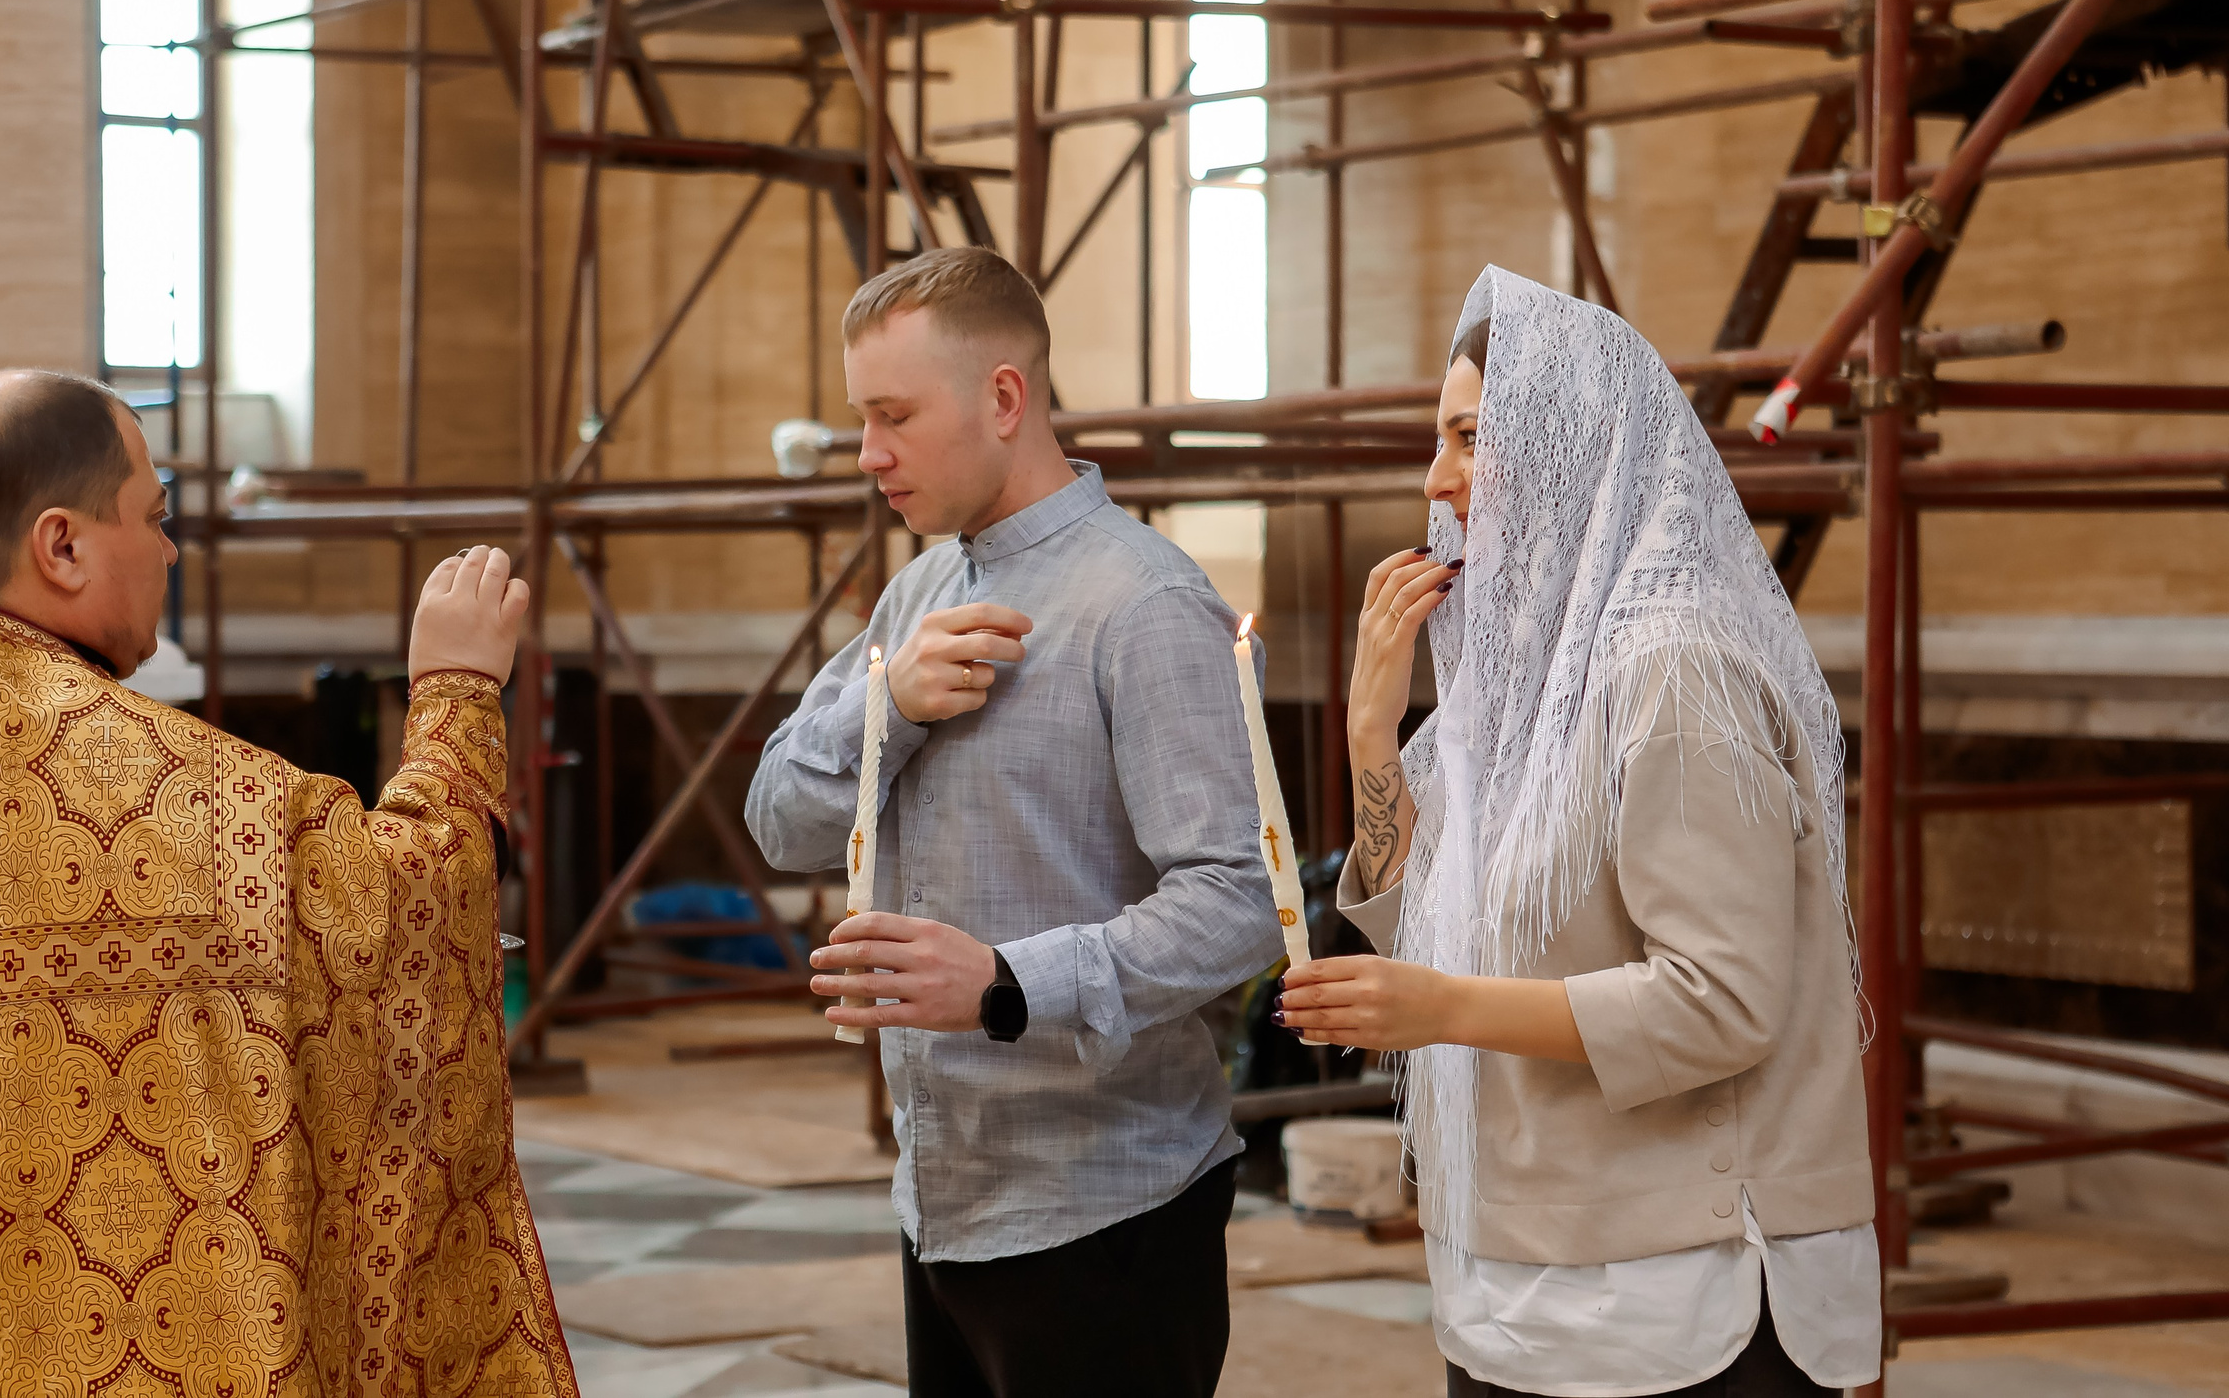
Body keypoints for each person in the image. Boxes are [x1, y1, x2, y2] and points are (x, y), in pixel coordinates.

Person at [0, 369, 579, 1398]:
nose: (170, 551)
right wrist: (455, 694)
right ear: (62, 546)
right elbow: (404, 914)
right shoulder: (164, 791)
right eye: (155, 516)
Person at [1277, 266, 1879, 1396]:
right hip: (1518, 1276)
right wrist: (1371, 726)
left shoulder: (1673, 673)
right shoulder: (1525, 691)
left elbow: (1721, 1001)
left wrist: (1442, 1008)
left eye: (1468, 435)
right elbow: (1426, 925)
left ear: (1570, 445)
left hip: (1678, 1293)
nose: (1436, 479)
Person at [747, 246, 1285, 1398]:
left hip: (1108, 1206)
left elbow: (1243, 903)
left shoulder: (1145, 603)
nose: (868, 454)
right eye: (860, 419)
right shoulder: (916, 594)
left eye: (893, 415)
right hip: (942, 1194)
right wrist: (884, 711)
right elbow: (776, 821)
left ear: (1003, 398)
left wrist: (1003, 980)